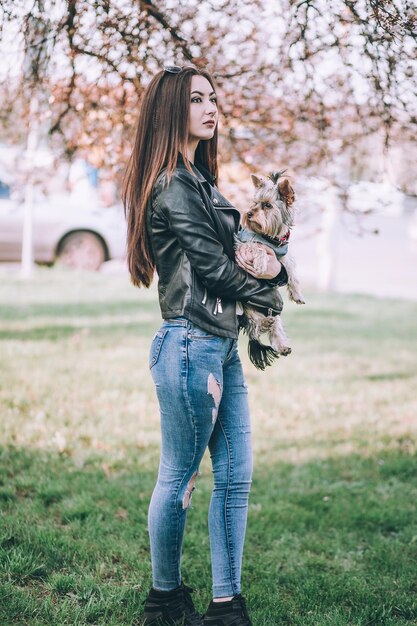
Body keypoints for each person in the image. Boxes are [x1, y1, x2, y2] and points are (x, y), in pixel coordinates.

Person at [122, 65, 288, 626]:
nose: (210, 107)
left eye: (213, 98)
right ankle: (165, 601)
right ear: (173, 111)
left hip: (219, 346)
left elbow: (232, 253)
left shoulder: (198, 179)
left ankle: (225, 604)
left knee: (236, 474)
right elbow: (215, 272)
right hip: (189, 345)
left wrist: (269, 249)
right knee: (179, 476)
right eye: (197, 100)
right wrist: (272, 290)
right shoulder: (171, 184)